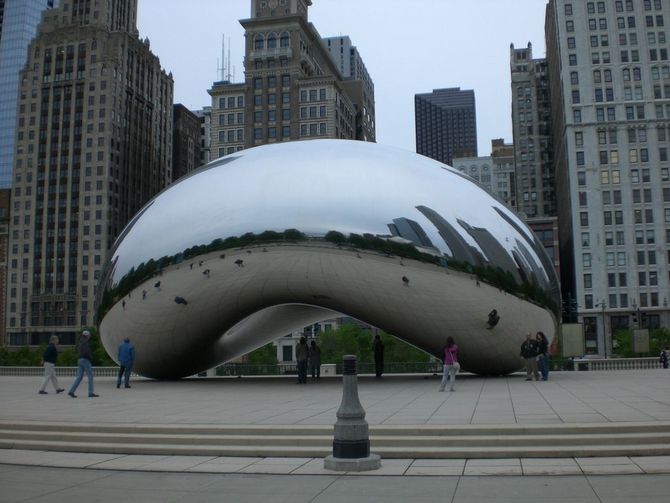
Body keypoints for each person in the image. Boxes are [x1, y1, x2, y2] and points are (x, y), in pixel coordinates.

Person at [68, 330, 99, 398]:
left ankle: (71, 391)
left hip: (79, 360)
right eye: (89, 336)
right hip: (85, 359)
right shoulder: (85, 342)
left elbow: (76, 350)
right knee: (90, 376)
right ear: (87, 335)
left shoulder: (80, 341)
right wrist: (90, 358)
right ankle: (90, 393)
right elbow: (86, 351)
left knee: (79, 377)